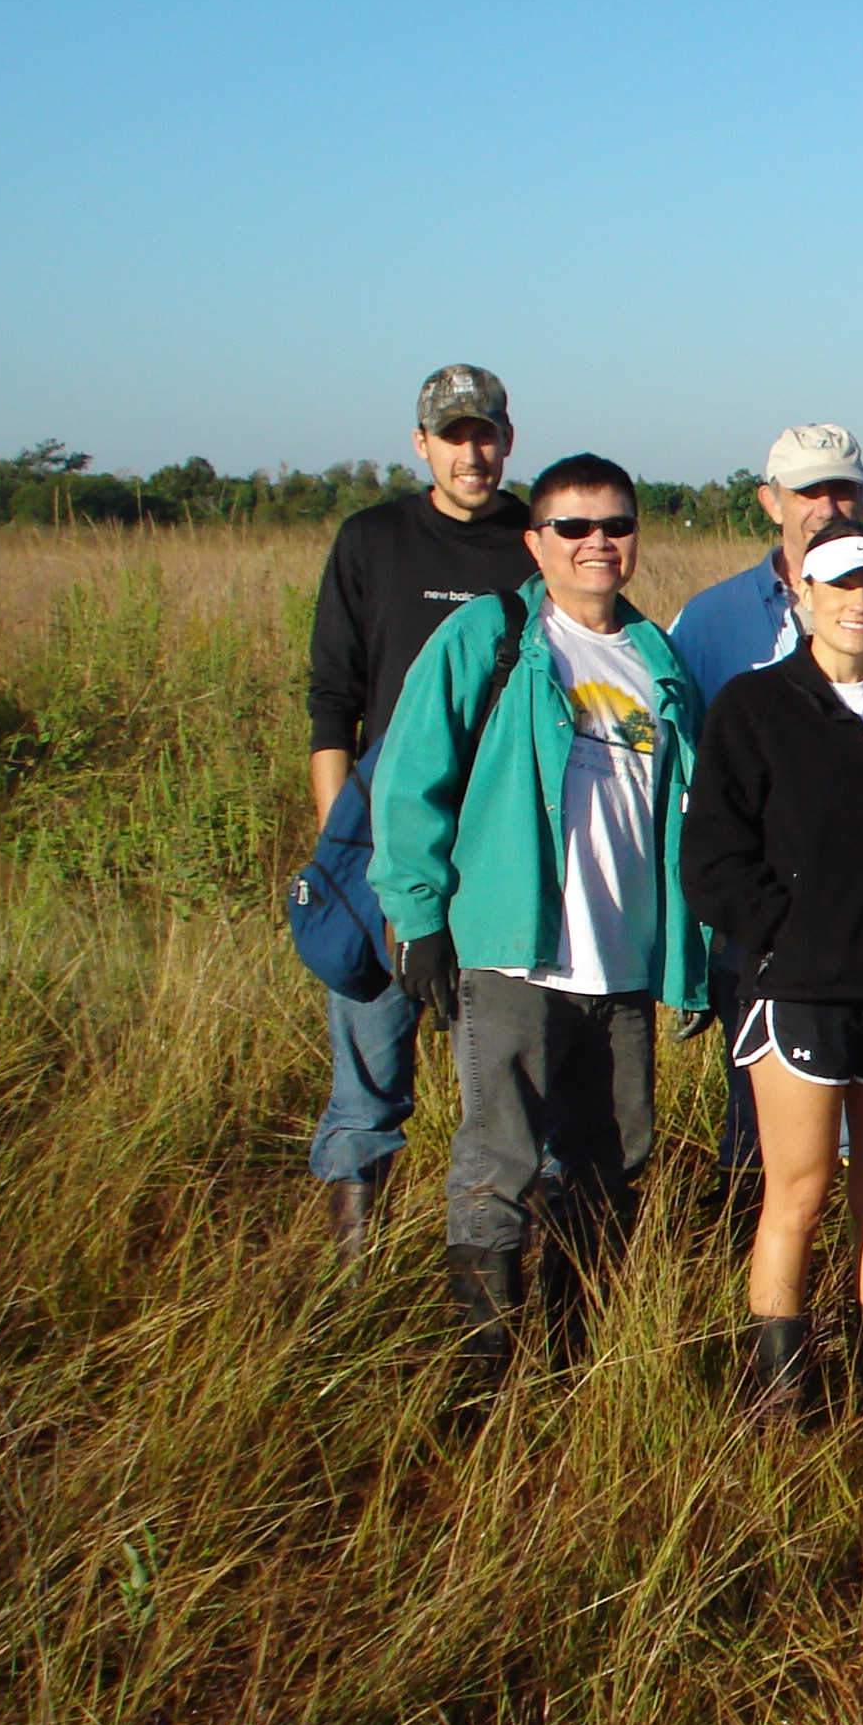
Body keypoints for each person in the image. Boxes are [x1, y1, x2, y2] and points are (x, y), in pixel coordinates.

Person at [371, 455, 707, 1392]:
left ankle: (572, 1355)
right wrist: (419, 917)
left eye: (616, 525)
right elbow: (411, 779)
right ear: (536, 542)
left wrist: (693, 957)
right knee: (499, 1157)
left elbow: (686, 812)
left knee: (616, 1158)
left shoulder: (657, 658)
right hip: (512, 949)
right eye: (573, 527)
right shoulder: (493, 637)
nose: (597, 542)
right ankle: (483, 1367)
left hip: (623, 959)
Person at [682, 521, 863, 1425]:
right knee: (798, 1194)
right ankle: (781, 1401)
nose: (860, 604)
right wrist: (786, 935)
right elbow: (713, 860)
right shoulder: (754, 706)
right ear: (803, 596)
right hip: (801, 991)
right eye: (840, 587)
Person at [665, 425, 863, 1178]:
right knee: (774, 1161)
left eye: (845, 489)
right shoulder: (709, 622)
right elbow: (693, 794)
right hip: (775, 952)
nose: (827, 504)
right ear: (771, 500)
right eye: (809, 490)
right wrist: (776, 924)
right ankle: (761, 1286)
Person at [300, 364, 534, 1267]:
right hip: (382, 841)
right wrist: (346, 856)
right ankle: (353, 1279)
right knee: (368, 1074)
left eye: (486, 434)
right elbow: (333, 702)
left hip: (505, 845)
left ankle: (493, 1268)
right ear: (421, 444)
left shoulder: (540, 541)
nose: (471, 452)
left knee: (505, 1082)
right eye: (453, 435)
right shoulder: (373, 540)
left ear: (509, 441)